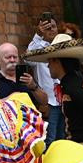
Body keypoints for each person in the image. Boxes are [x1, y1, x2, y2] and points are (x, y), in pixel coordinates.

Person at [27, 12, 64, 142]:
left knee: (62, 139)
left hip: (64, 101)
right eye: (47, 27)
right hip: (48, 102)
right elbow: (29, 59)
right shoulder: (38, 47)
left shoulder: (62, 46)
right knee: (49, 139)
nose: (51, 30)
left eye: (53, 26)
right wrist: (38, 35)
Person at [0, 42, 48, 110]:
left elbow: (44, 101)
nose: (12, 60)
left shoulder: (26, 78)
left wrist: (34, 87)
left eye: (15, 57)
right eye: (8, 57)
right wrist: (11, 99)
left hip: (31, 119)